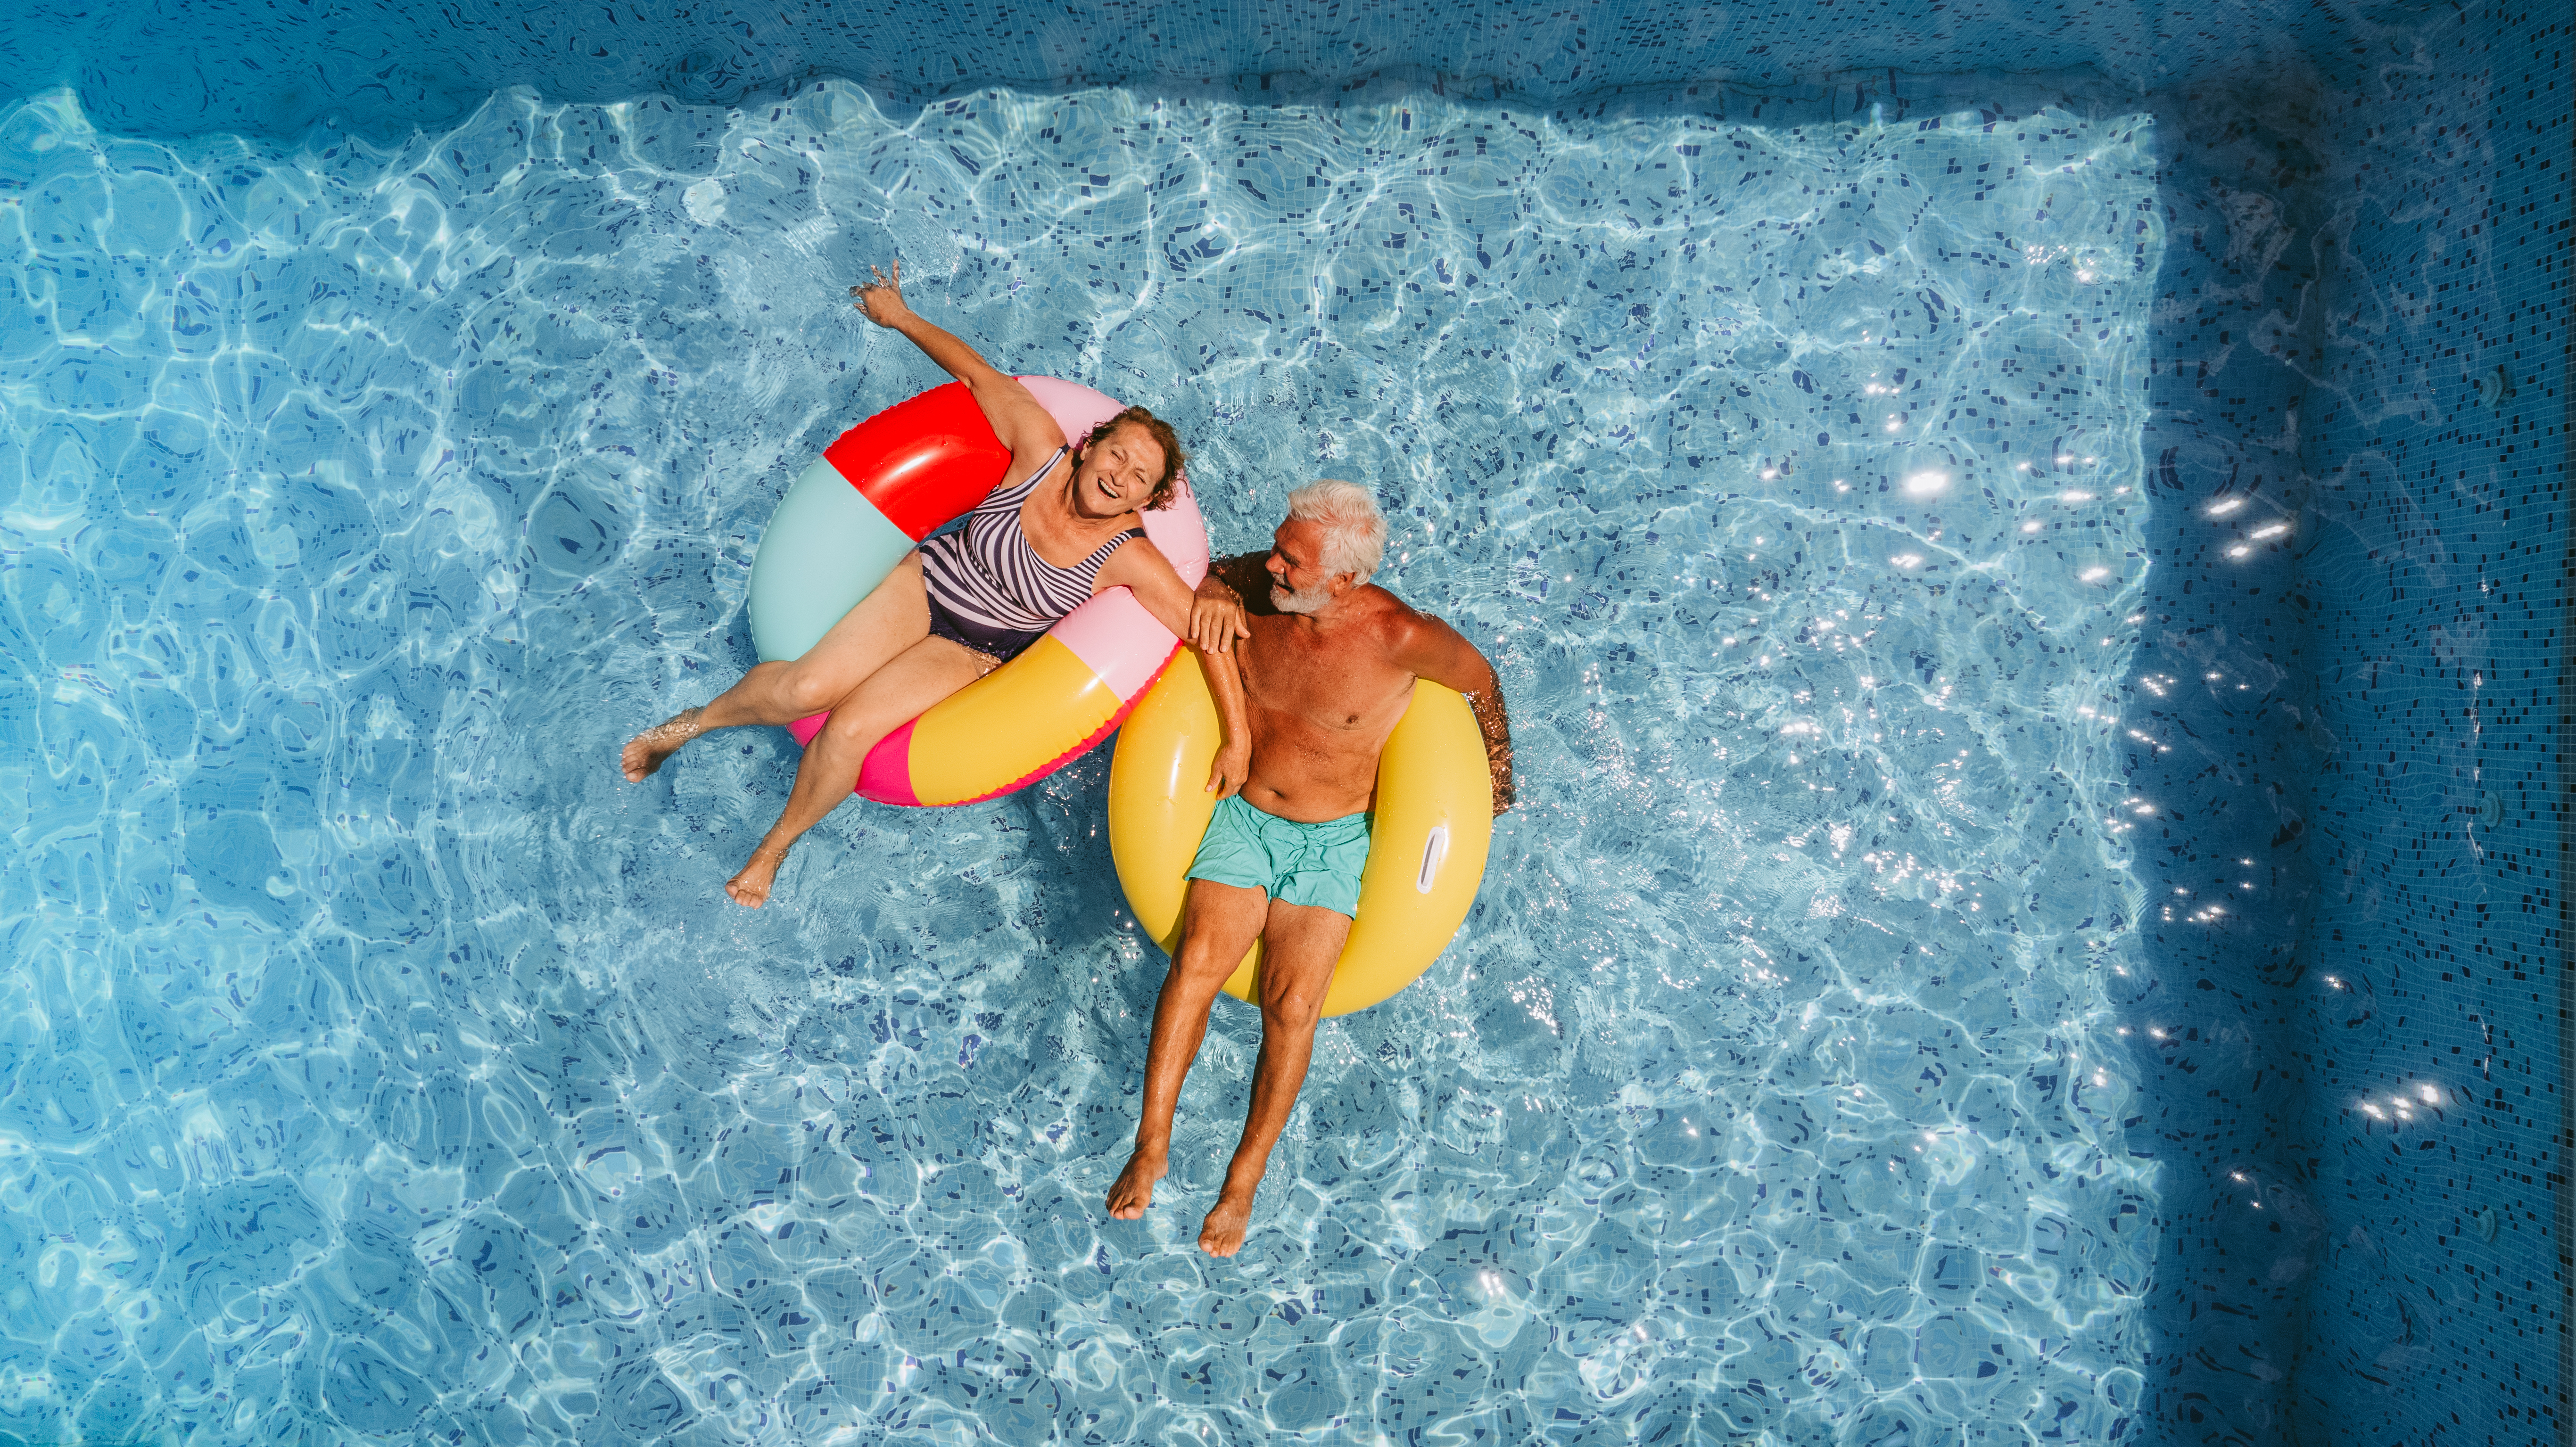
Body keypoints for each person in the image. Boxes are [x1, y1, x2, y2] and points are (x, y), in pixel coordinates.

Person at [620, 261, 1231, 907]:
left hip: (972, 652)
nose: (1120, 476)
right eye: (1117, 455)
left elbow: (1202, 631)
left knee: (851, 730)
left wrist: (1237, 727)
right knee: (805, 687)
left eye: (1140, 477)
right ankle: (690, 724)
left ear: (1148, 497)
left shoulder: (1127, 556)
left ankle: (773, 848)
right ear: (1089, 446)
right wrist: (900, 316)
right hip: (926, 585)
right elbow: (977, 373)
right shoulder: (1038, 447)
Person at [1106, 480, 1514, 1256]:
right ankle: (1150, 1145)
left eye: (1292, 560)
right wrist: (1221, 587)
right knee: (1195, 965)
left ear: (1346, 578)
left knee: (1292, 1008)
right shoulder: (1259, 590)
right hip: (1246, 814)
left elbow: (1482, 681)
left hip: (1333, 839)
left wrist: (1496, 774)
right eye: (1278, 546)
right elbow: (1207, 574)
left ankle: (1241, 1184)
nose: (1274, 564)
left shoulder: (1400, 637)